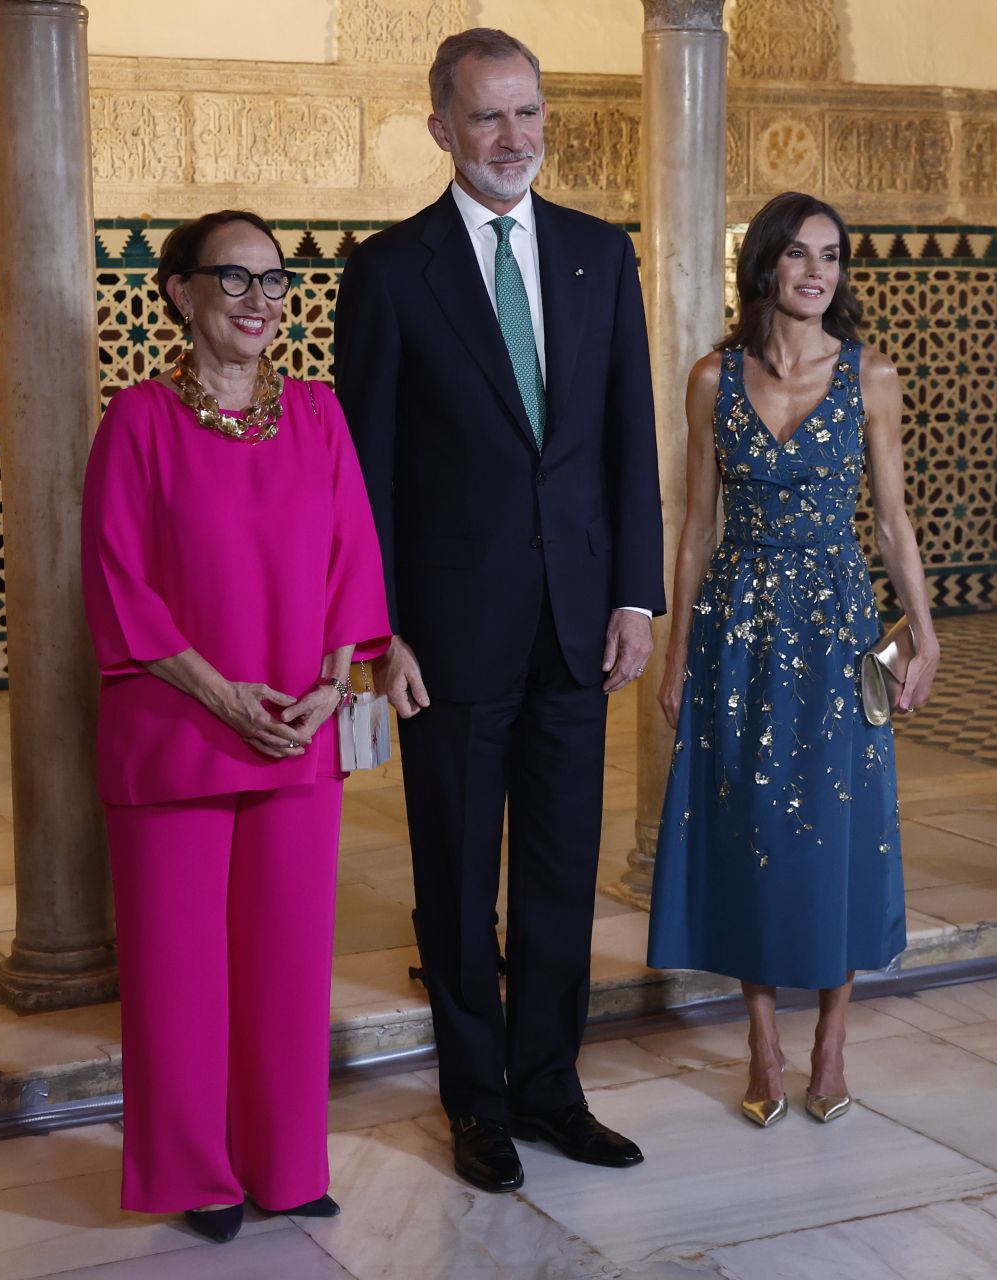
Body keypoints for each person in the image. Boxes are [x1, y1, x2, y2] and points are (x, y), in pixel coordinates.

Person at [333, 28, 664, 1193]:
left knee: (563, 873)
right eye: (487, 116)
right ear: (442, 128)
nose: (513, 137)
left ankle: (552, 1088)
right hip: (449, 634)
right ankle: (475, 1099)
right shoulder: (389, 271)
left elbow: (628, 438)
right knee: (459, 877)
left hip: (578, 620)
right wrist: (378, 630)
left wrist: (635, 593)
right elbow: (365, 469)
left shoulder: (597, 253)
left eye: (528, 113)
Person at [80, 210, 390, 1243]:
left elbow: (352, 554)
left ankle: (287, 1164)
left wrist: (333, 682)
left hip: (297, 729)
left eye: (275, 281)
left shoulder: (317, 413)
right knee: (178, 972)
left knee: (288, 964)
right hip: (177, 733)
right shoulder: (137, 421)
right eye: (235, 279)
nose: (261, 302)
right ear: (181, 291)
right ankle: (196, 1170)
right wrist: (220, 695)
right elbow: (116, 582)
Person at [646, 191, 940, 1128]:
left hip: (841, 628)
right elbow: (697, 527)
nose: (817, 272)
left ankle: (833, 1042)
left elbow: (891, 523)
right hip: (736, 626)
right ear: (766, 264)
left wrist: (923, 632)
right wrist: (676, 650)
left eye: (832, 256)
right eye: (800, 254)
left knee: (841, 825)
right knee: (751, 824)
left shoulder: (870, 375)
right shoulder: (712, 379)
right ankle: (763, 1039)